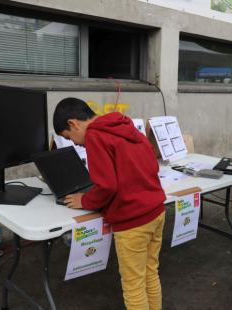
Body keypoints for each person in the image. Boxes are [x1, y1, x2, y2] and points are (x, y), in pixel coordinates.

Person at [53, 98, 166, 310]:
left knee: (133, 286)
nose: (75, 143)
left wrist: (85, 200)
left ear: (73, 124)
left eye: (69, 138)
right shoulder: (125, 126)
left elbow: (107, 187)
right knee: (151, 273)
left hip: (132, 224)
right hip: (157, 212)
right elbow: (152, 163)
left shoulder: (95, 136)